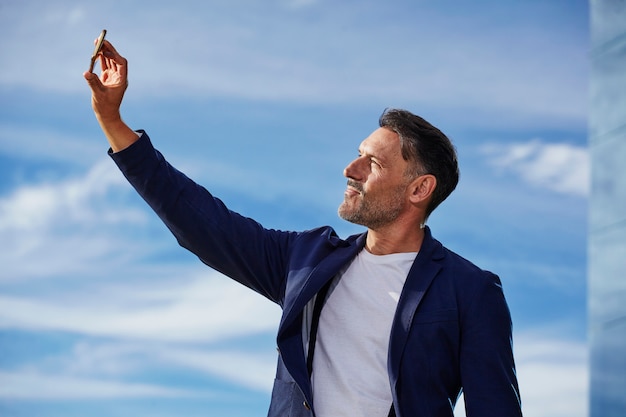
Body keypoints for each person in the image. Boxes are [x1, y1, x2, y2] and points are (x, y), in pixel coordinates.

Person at [84, 40, 522, 417]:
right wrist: (112, 121)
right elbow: (200, 220)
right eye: (357, 154)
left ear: (419, 189)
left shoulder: (470, 291)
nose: (349, 170)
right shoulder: (305, 262)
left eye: (371, 163)